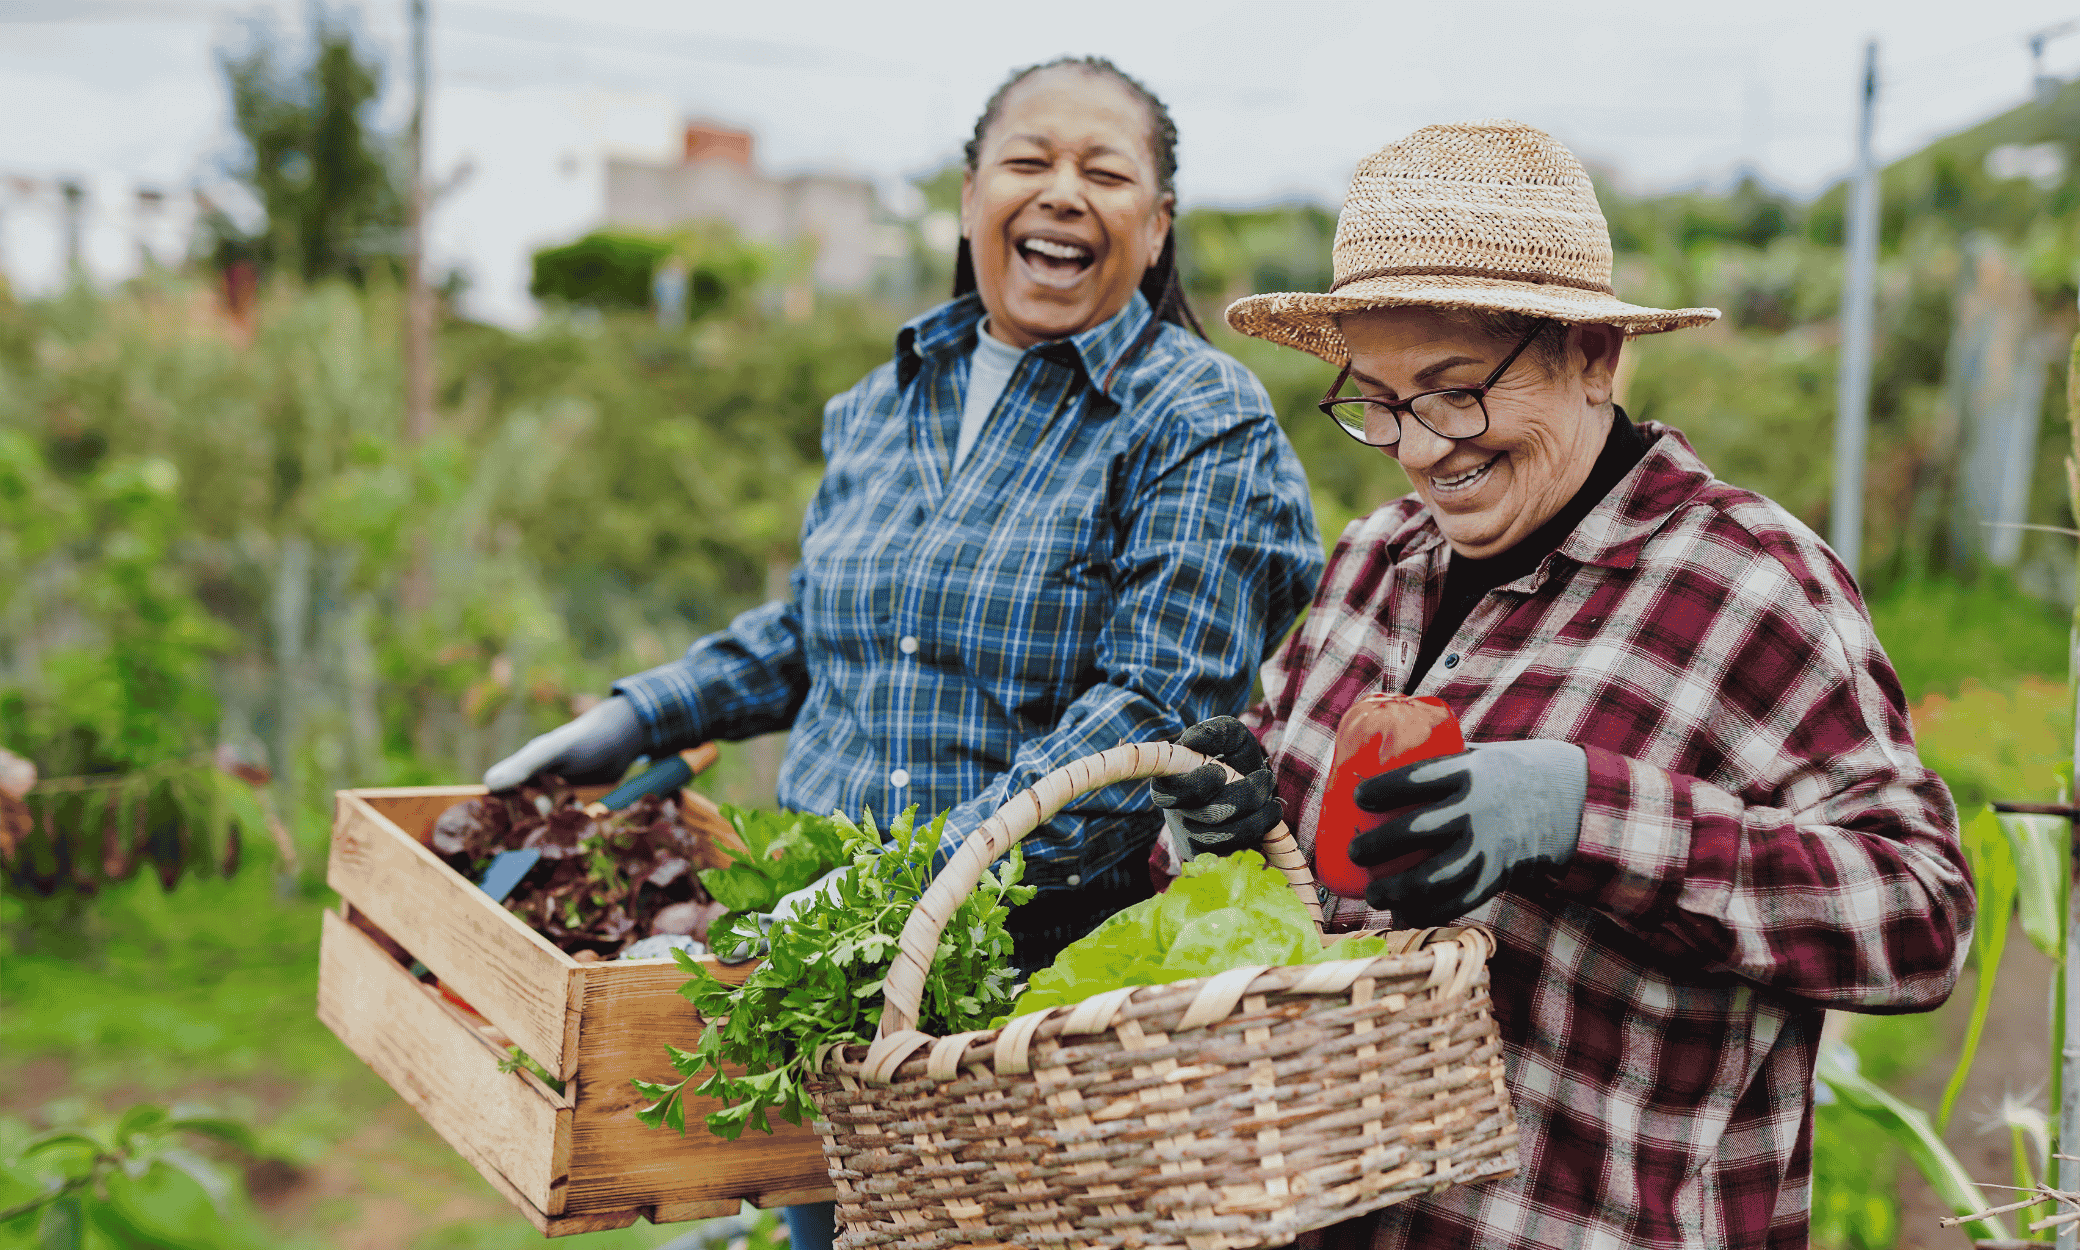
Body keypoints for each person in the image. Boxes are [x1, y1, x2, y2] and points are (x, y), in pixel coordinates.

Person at [486, 56, 1322, 1250]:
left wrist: (912, 891)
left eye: (1105, 171)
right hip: (814, 970)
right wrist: (644, 712)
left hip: (1021, 998)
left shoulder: (1200, 419)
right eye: (1028, 161)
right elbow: (825, 625)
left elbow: (1152, 707)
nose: (1061, 193)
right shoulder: (886, 396)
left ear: (1158, 223)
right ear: (971, 191)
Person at [1151, 120, 1971, 1250]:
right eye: (1379, 400)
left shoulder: (1743, 584)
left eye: (1454, 391)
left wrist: (1587, 810)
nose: (1419, 447)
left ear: (1594, 357)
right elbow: (1300, 903)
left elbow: (1917, 914)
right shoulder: (1370, 565)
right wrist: (1221, 834)